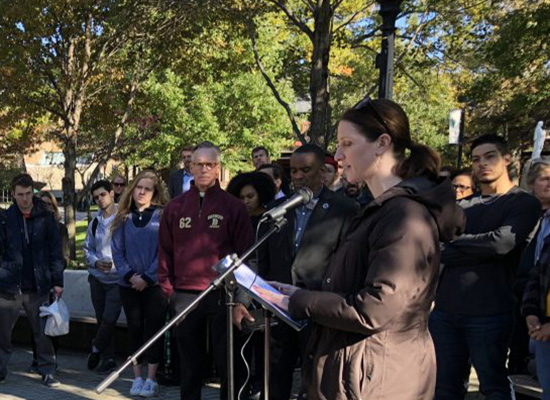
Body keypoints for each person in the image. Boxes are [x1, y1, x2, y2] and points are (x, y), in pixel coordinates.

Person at [269, 97, 464, 400]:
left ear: (382, 143)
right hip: (360, 372)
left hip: (378, 380)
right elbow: (355, 283)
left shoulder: (404, 215)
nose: (337, 156)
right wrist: (294, 294)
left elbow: (376, 308)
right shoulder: (380, 210)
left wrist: (303, 301)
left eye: (347, 143)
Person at [235, 144, 360, 400]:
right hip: (279, 314)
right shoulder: (278, 210)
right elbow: (260, 261)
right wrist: (242, 300)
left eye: (306, 170)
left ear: (323, 171)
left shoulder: (344, 209)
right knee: (275, 383)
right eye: (293, 171)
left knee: (317, 383)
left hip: (319, 313)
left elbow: (347, 265)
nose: (298, 176)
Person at [430, 134, 541, 400]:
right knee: (444, 388)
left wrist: (457, 244)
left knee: (494, 387)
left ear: (507, 159)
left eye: (490, 157)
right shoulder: (462, 205)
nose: (482, 164)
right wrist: (478, 248)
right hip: (446, 311)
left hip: (490, 312)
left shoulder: (523, 202)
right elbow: (436, 249)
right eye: (476, 159)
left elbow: (502, 244)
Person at [158, 141, 254, 400]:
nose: (203, 169)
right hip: (185, 295)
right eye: (198, 164)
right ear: (190, 166)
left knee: (227, 364)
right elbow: (165, 251)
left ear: (218, 168)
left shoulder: (233, 207)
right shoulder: (175, 208)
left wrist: (241, 300)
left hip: (224, 294)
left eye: (209, 164)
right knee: (190, 366)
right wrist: (169, 291)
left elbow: (246, 255)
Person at [0, 174, 64, 387]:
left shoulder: (46, 216)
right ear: (13, 194)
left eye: (28, 194)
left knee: (42, 332)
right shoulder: (6, 218)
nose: (25, 199)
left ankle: (47, 370)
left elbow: (55, 251)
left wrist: (57, 281)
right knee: (3, 332)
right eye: (20, 195)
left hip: (39, 283)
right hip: (10, 283)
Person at [111, 170, 169, 397]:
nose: (142, 191)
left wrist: (147, 277)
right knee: (134, 329)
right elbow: (117, 251)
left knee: (153, 330)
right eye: (139, 187)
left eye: (147, 188)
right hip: (129, 286)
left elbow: (165, 251)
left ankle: (151, 379)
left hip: (154, 287)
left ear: (155, 193)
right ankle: (136, 377)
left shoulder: (162, 217)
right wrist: (130, 276)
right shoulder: (123, 217)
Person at [25, 190, 69, 373]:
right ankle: (37, 358)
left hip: (51, 280)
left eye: (48, 204)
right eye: (41, 204)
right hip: (35, 282)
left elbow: (63, 255)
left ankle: (51, 359)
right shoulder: (32, 226)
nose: (45, 208)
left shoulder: (59, 228)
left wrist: (55, 277)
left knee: (52, 322)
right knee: (36, 323)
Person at [83, 180, 122, 374]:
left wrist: (118, 266)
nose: (99, 199)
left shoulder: (124, 218)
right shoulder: (95, 222)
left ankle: (96, 348)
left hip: (118, 279)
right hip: (98, 277)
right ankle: (108, 358)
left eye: (102, 195)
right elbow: (87, 249)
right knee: (101, 319)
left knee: (109, 318)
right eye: (96, 197)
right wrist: (96, 262)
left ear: (112, 193)